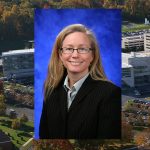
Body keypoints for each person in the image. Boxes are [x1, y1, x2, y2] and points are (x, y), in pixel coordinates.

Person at [39, 24, 121, 139]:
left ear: (92, 56)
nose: (75, 55)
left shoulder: (110, 94)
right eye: (69, 49)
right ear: (60, 55)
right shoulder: (51, 91)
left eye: (82, 49)